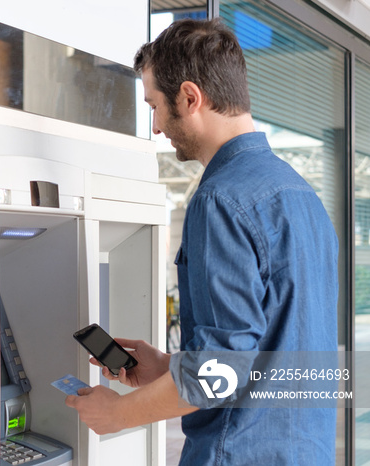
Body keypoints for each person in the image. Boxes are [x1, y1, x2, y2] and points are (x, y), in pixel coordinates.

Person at [65, 18, 338, 465]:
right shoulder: (300, 194)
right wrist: (172, 368)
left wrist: (117, 414)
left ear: (190, 97)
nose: (155, 126)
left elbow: (225, 369)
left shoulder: (221, 199)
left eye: (155, 105)